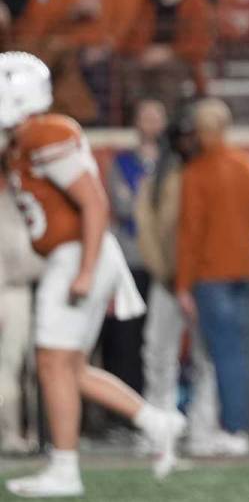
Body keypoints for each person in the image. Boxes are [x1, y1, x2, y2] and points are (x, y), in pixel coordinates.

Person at [0, 52, 185, 498]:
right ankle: (156, 421)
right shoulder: (22, 141)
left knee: (51, 363)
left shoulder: (45, 132)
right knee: (70, 366)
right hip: (72, 255)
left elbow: (94, 202)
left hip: (78, 254)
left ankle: (64, 470)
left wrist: (84, 270)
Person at [135, 104, 232, 457]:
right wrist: (164, 271)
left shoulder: (214, 171)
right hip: (169, 278)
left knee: (207, 357)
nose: (190, 142)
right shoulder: (162, 175)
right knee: (158, 354)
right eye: (185, 136)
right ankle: (158, 428)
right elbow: (147, 226)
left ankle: (203, 429)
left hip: (206, 279)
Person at [175, 98, 249, 456]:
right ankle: (231, 426)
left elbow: (190, 234)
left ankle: (230, 428)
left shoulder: (196, 173)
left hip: (210, 274)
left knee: (219, 354)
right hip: (242, 270)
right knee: (234, 353)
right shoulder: (246, 166)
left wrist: (183, 284)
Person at [97, 99, 166, 427]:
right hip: (133, 259)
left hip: (164, 262)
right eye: (145, 117)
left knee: (158, 340)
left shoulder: (170, 162)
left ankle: (157, 410)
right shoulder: (122, 162)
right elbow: (124, 206)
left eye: (156, 117)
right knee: (126, 337)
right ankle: (124, 414)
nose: (151, 123)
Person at [0, 175, 41, 455]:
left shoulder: (24, 201)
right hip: (9, 291)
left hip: (26, 289)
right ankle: (10, 433)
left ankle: (25, 433)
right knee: (8, 367)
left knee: (25, 368)